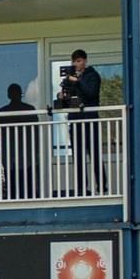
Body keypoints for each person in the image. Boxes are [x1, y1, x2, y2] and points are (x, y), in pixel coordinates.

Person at [53, 48, 102, 195]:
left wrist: (78, 81)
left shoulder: (92, 75)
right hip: (75, 121)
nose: (76, 64)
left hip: (90, 120)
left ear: (85, 61)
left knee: (94, 154)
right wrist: (61, 95)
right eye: (74, 61)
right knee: (78, 156)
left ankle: (101, 186)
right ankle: (81, 188)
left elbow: (91, 93)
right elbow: (66, 102)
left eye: (79, 61)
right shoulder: (71, 78)